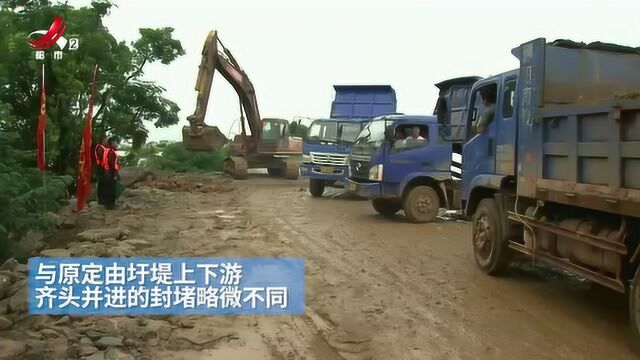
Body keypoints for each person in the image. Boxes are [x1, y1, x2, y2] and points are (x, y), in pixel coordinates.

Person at [101, 137, 121, 210]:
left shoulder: (108, 151)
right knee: (110, 189)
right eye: (116, 142)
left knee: (108, 189)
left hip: (107, 173)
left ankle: (108, 204)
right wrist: (115, 174)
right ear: (112, 143)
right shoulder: (111, 152)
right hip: (110, 173)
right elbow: (113, 164)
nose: (117, 144)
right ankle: (110, 205)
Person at [94, 136, 108, 205]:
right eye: (106, 139)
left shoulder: (103, 147)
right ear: (103, 140)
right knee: (101, 184)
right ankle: (101, 199)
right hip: (101, 167)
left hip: (103, 167)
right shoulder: (99, 147)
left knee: (104, 183)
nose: (107, 141)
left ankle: (103, 199)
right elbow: (101, 157)